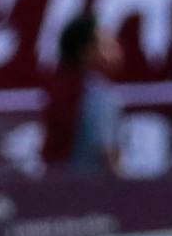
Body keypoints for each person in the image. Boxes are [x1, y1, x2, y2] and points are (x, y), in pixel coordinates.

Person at [40, 14, 121, 175]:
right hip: (92, 189)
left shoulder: (57, 88)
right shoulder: (99, 95)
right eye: (107, 44)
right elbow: (107, 152)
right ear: (86, 51)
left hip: (57, 186)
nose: (116, 49)